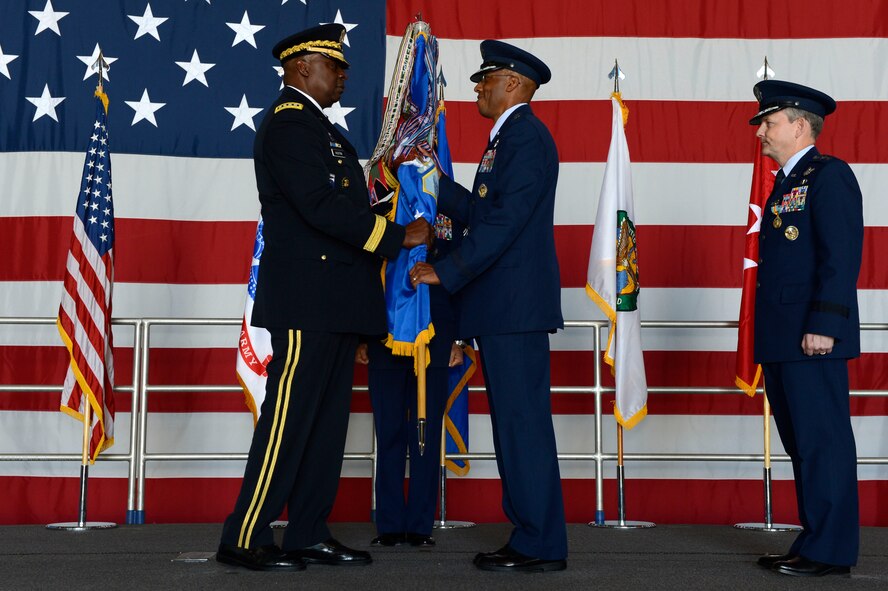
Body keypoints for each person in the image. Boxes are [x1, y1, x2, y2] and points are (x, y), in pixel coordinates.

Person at [216, 23, 431, 572]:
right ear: (300, 68)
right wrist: (393, 236)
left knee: (325, 426)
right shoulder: (290, 126)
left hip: (334, 302)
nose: (342, 75)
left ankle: (307, 531)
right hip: (306, 302)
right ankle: (244, 535)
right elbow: (319, 206)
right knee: (288, 421)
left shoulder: (321, 130)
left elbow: (343, 210)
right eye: (334, 66)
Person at [410, 40, 567, 572]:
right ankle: (533, 536)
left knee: (522, 426)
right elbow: (484, 209)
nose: (478, 86)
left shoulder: (525, 138)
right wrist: (434, 182)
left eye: (487, 78)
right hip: (504, 309)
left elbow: (502, 223)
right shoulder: (509, 139)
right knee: (516, 426)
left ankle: (539, 543)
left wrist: (448, 270)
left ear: (515, 85)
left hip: (514, 310)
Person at [749, 80, 863, 577]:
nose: (762, 134)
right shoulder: (784, 182)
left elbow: (840, 256)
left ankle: (831, 552)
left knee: (823, 442)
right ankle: (815, 540)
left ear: (799, 125)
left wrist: (824, 324)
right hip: (783, 336)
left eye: (769, 123)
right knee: (802, 443)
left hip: (811, 336)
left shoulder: (828, 176)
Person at [356, 222, 465, 548]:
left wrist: (458, 337)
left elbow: (457, 267)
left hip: (434, 333)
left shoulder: (440, 198)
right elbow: (364, 267)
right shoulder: (380, 197)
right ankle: (388, 525)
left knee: (426, 431)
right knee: (388, 430)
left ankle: (419, 525)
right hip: (383, 331)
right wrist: (361, 336)